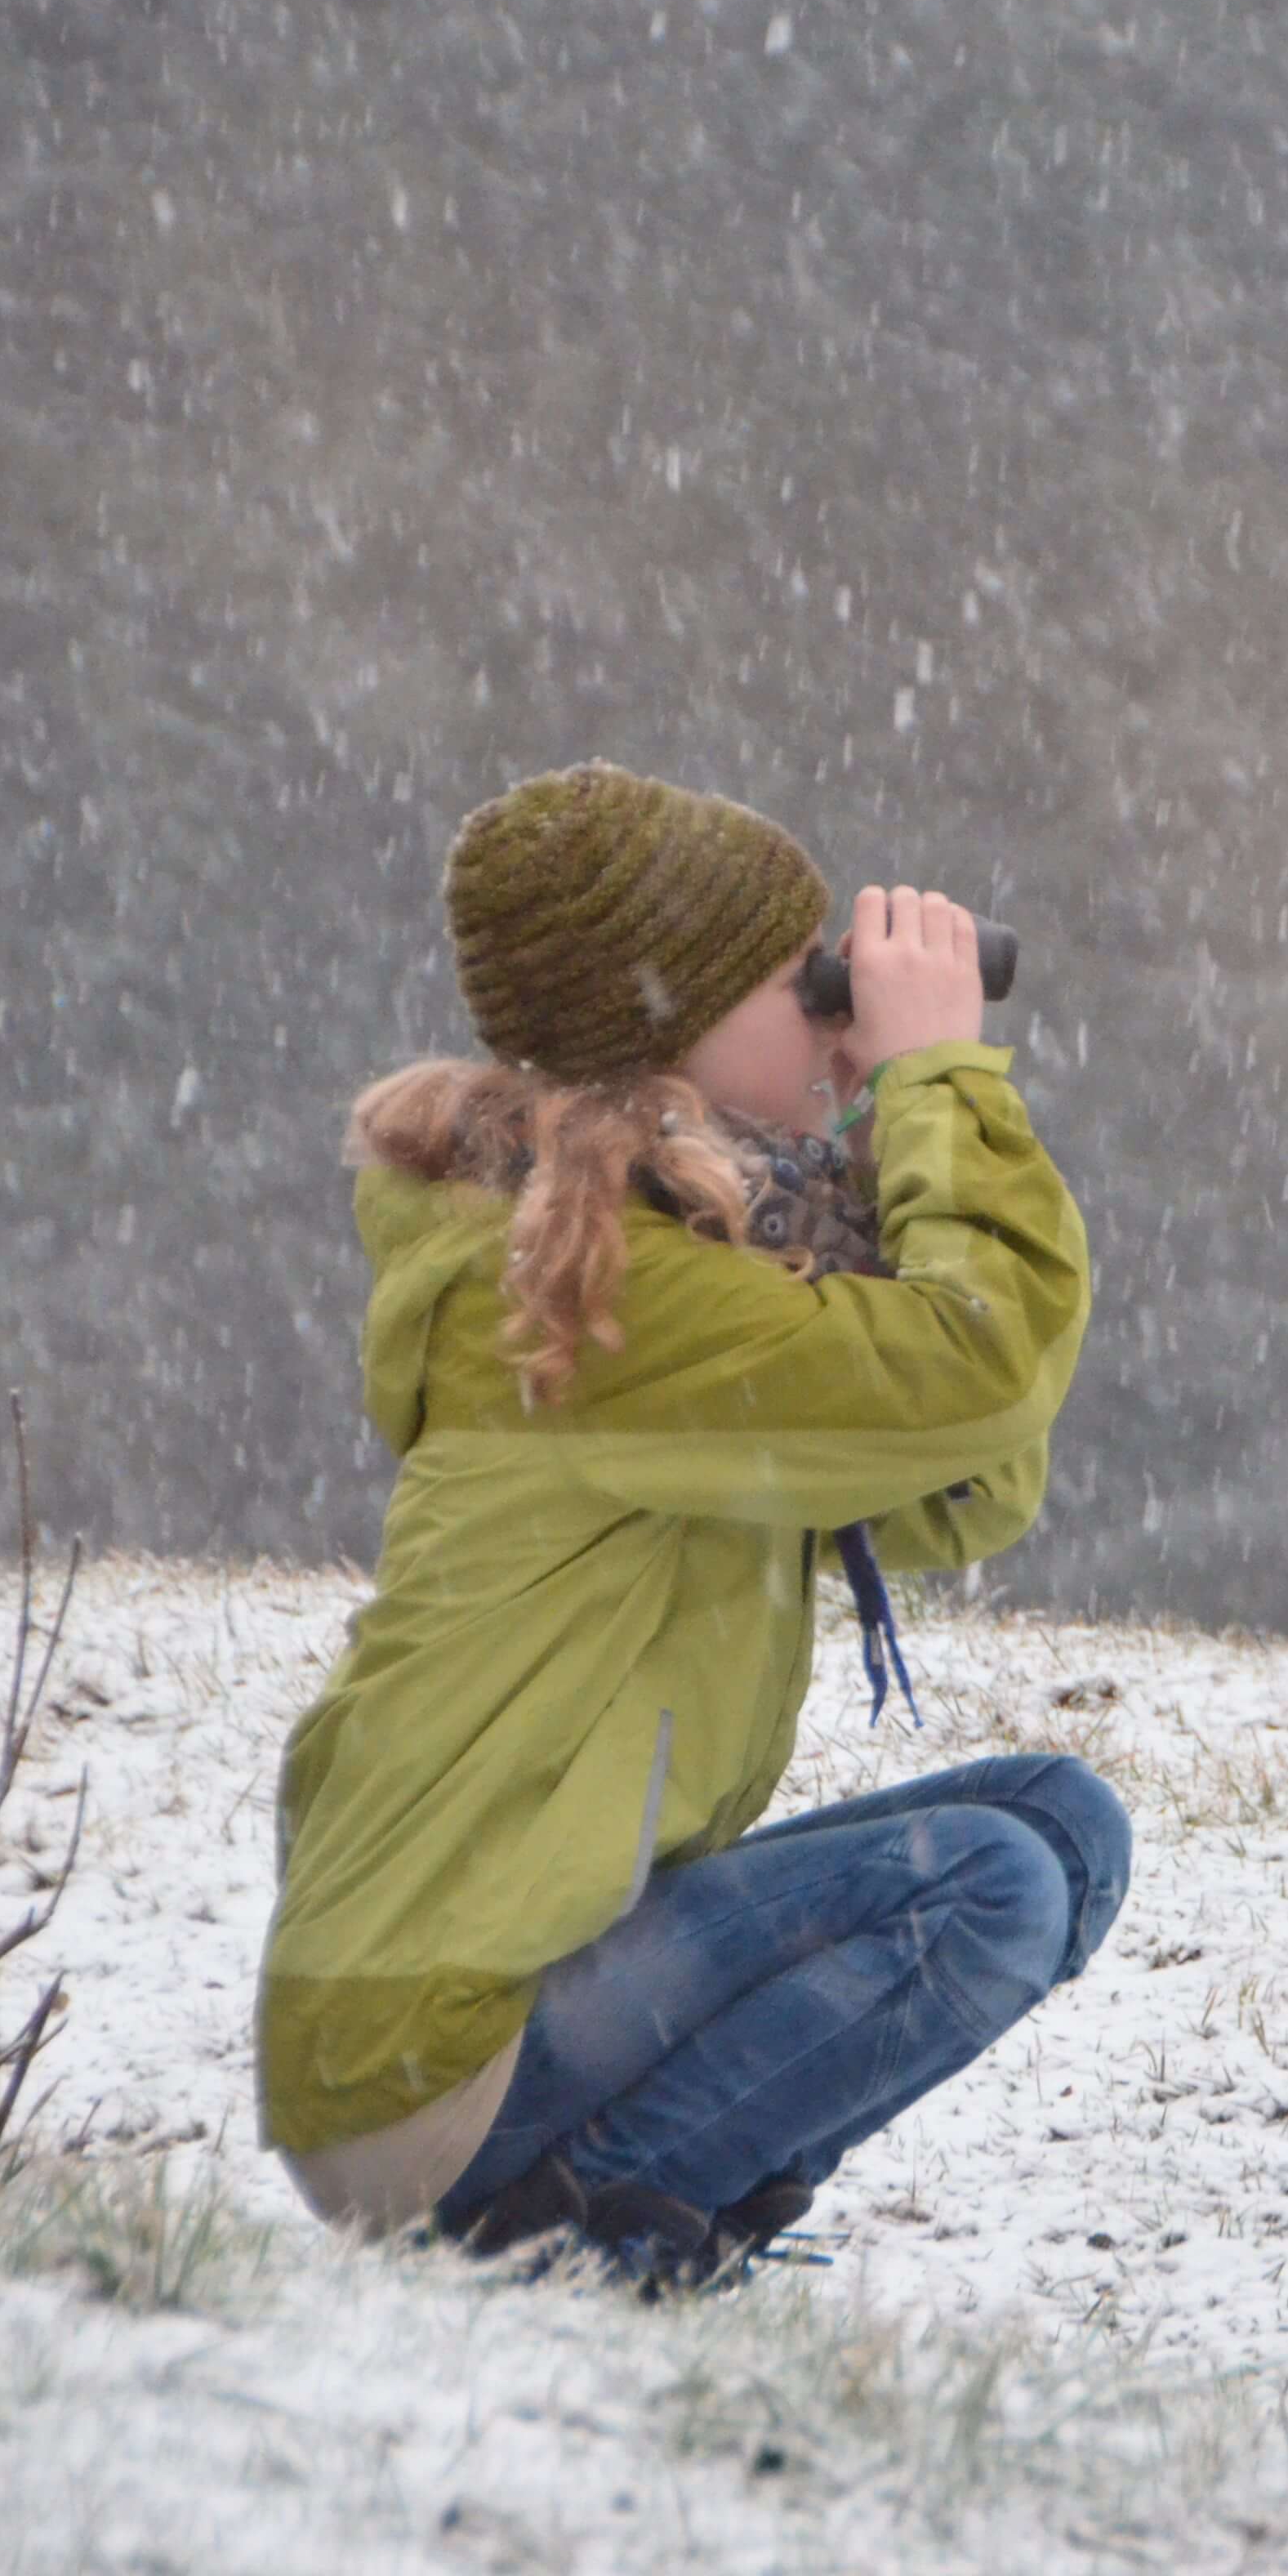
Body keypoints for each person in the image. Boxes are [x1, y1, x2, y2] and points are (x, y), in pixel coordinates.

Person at [254, 760, 1117, 2291]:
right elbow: (979, 1371)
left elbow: (969, 1474)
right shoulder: (596, 1303)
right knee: (988, 1887)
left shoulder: (662, 1252)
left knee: (1062, 1824)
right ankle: (580, 2229)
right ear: (671, 1032)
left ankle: (650, 2192)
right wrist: (940, 1090)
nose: (840, 1015)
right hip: (432, 2055)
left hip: (486, 2007)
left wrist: (864, 1175)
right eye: (807, 987)